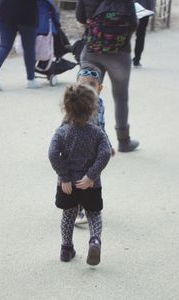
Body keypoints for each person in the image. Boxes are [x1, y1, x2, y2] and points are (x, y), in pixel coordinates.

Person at [48, 83, 112, 265]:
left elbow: (53, 153)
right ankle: (95, 241)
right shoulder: (97, 133)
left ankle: (66, 249)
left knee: (68, 215)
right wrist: (91, 176)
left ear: (66, 108)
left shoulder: (62, 132)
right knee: (93, 214)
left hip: (68, 185)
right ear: (93, 109)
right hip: (90, 184)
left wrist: (64, 176)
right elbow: (105, 153)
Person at [76, 0, 140, 153]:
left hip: (92, 49)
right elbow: (134, 24)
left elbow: (80, 17)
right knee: (121, 97)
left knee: (85, 95)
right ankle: (124, 141)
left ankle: (82, 140)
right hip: (119, 53)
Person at [75, 64, 115, 225]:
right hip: (77, 150)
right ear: (76, 86)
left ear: (100, 88)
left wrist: (108, 144)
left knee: (93, 178)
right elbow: (63, 127)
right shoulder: (74, 105)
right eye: (82, 84)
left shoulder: (100, 104)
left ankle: (90, 206)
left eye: (92, 84)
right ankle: (78, 211)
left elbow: (101, 126)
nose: (87, 88)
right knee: (78, 178)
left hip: (94, 151)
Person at [0, 0, 41, 91]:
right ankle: (31, 79)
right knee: (29, 47)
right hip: (27, 12)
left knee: (4, 45)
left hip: (4, 9)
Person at [133, 0, 155, 67]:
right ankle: (137, 59)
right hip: (144, 8)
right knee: (140, 34)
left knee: (125, 33)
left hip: (129, 7)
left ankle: (123, 58)